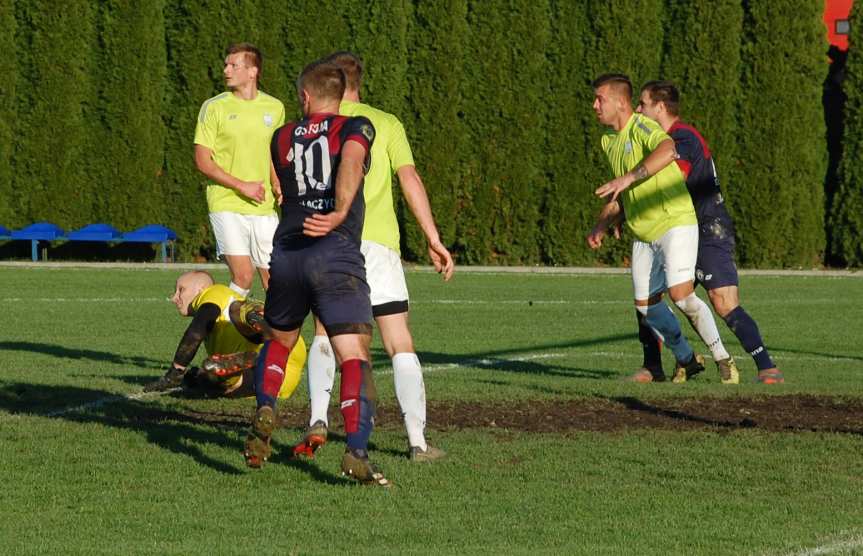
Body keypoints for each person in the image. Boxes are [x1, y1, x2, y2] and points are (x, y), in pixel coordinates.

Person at [291, 51, 454, 463]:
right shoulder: (385, 122)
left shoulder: (313, 129)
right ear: (358, 81)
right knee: (399, 341)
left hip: (330, 243)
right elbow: (409, 178)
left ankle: (317, 419)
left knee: (326, 333)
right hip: (379, 244)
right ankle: (416, 441)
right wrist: (433, 238)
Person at [244, 59, 388, 486]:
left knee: (281, 339)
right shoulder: (354, 126)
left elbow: (283, 186)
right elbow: (350, 160)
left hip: (288, 252)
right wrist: (340, 210)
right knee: (354, 354)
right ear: (340, 97)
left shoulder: (281, 136)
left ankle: (266, 407)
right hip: (334, 252)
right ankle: (356, 451)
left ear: (304, 97)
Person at [588, 73, 735, 384]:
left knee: (681, 295)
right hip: (644, 233)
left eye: (600, 98)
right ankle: (686, 358)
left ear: (620, 102)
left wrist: (627, 178)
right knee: (646, 307)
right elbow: (623, 193)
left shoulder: (643, 127)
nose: (595, 105)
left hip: (675, 220)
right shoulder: (609, 141)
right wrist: (603, 224)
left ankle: (724, 358)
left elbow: (668, 150)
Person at [633, 81, 784, 384]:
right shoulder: (657, 142)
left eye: (643, 104)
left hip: (707, 228)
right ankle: (654, 367)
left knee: (723, 300)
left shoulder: (682, 137)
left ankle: (768, 368)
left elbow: (677, 174)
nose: (638, 110)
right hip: (673, 227)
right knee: (647, 295)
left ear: (660, 108)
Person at [194, 43, 285, 296]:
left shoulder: (275, 108)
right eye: (226, 64)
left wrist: (277, 182)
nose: (226, 70)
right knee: (243, 276)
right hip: (226, 203)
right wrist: (241, 186)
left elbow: (271, 151)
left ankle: (274, 336)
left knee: (275, 281)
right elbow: (202, 161)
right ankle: (223, 331)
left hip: (263, 205)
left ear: (253, 71)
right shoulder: (214, 107)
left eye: (233, 65)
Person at [143, 270, 306, 397]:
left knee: (242, 312)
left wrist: (176, 371)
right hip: (280, 379)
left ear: (201, 289)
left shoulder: (214, 292)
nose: (174, 297)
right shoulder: (216, 319)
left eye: (181, 290)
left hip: (283, 344)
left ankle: (259, 326)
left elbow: (197, 330)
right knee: (211, 382)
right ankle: (238, 370)